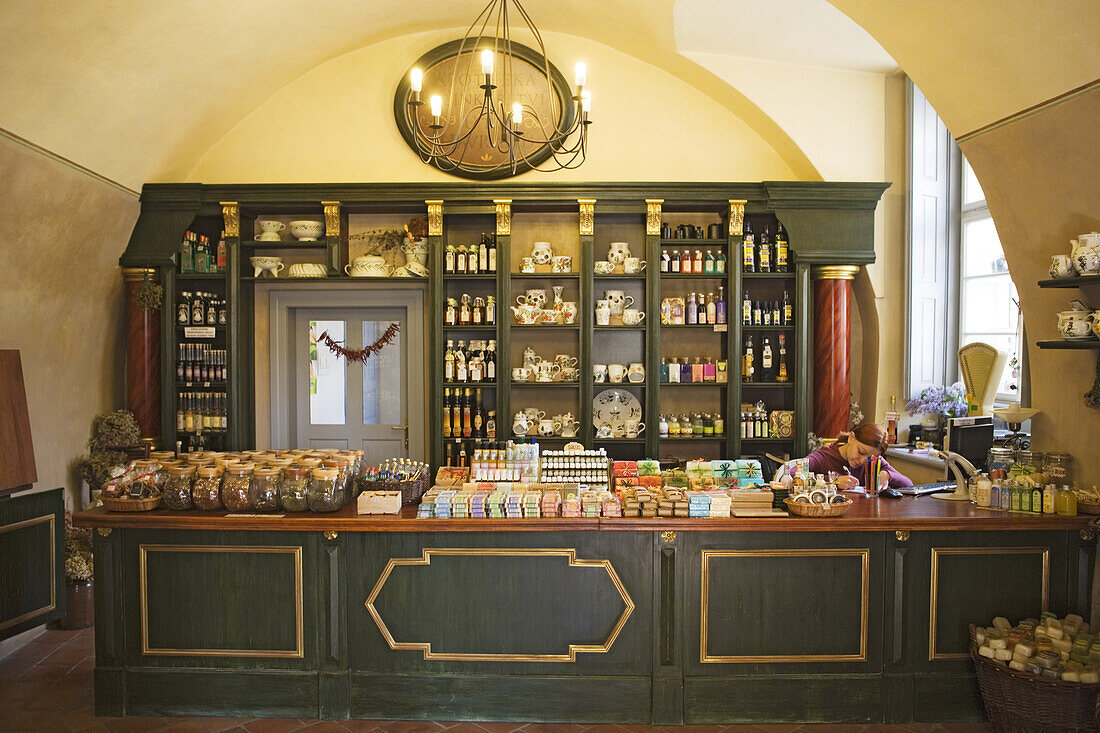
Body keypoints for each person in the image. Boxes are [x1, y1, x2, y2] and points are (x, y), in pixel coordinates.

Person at [803, 422, 913, 491]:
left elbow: (909, 485)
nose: (862, 461)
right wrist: (832, 482)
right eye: (861, 452)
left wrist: (888, 475)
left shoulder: (874, 461)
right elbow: (790, 476)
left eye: (869, 458)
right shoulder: (822, 458)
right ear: (851, 438)